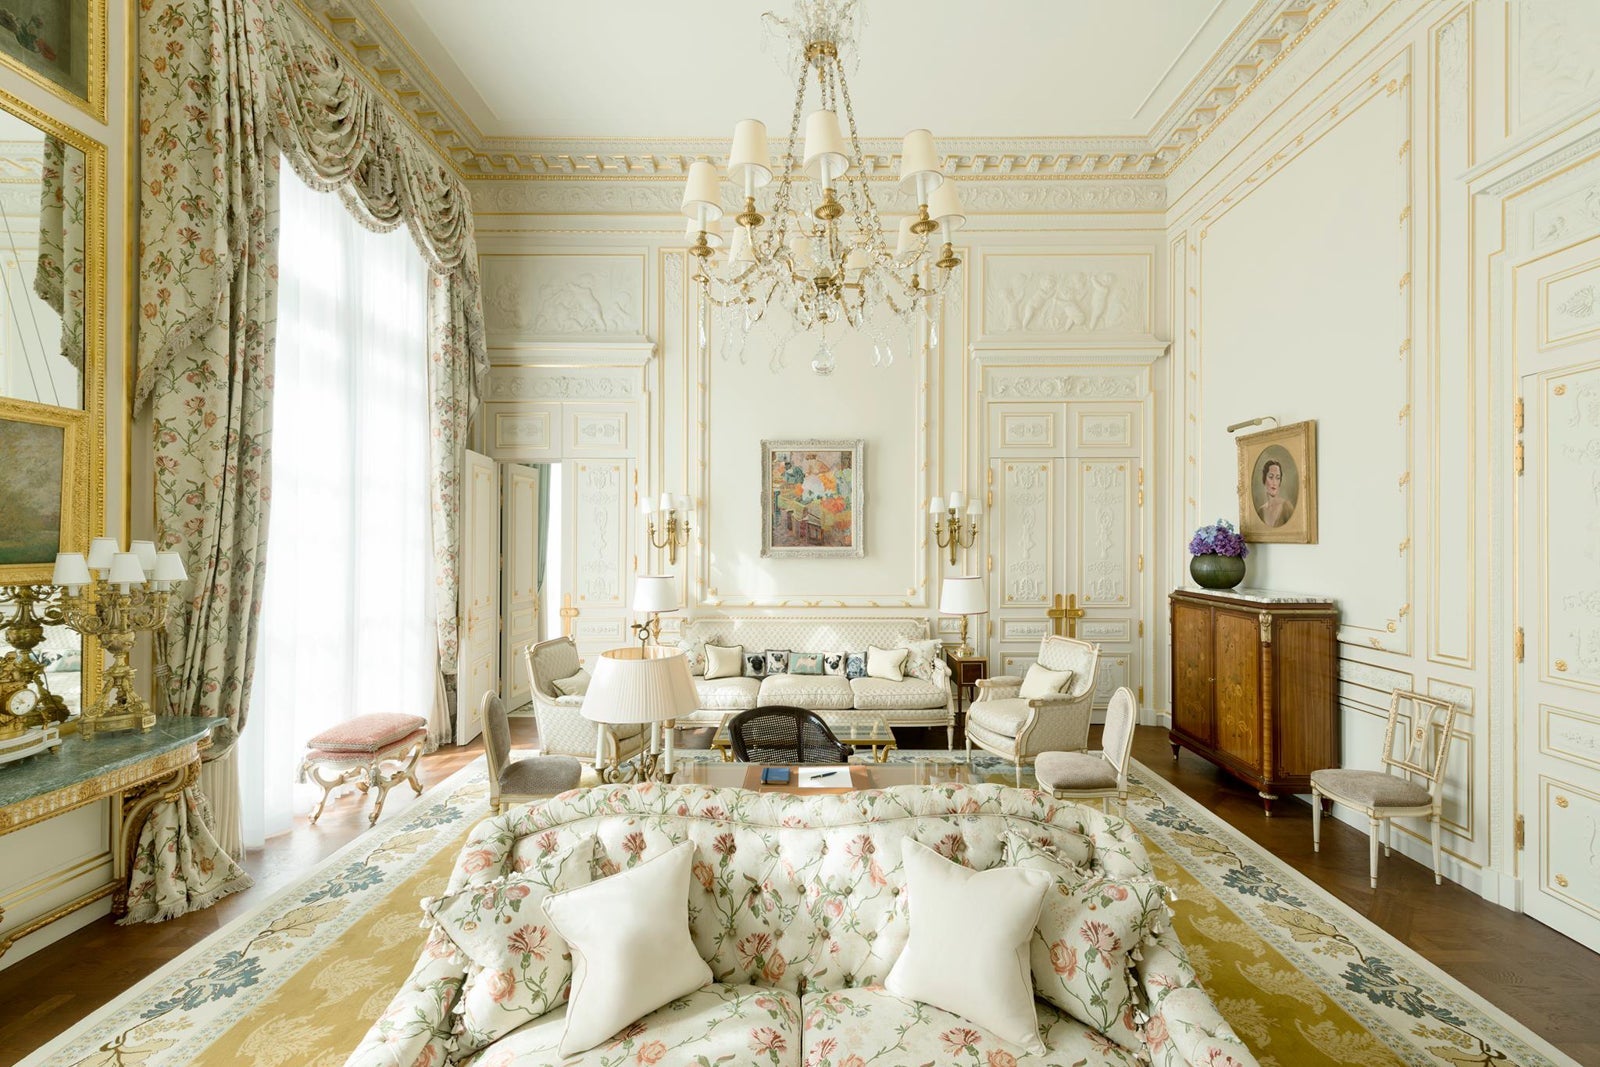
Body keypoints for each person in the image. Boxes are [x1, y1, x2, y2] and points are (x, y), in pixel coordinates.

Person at [1257, 458, 1295, 528]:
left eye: (1278, 478)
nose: (1274, 482)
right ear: (1264, 479)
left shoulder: (1287, 507)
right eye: (1271, 477)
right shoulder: (1260, 511)